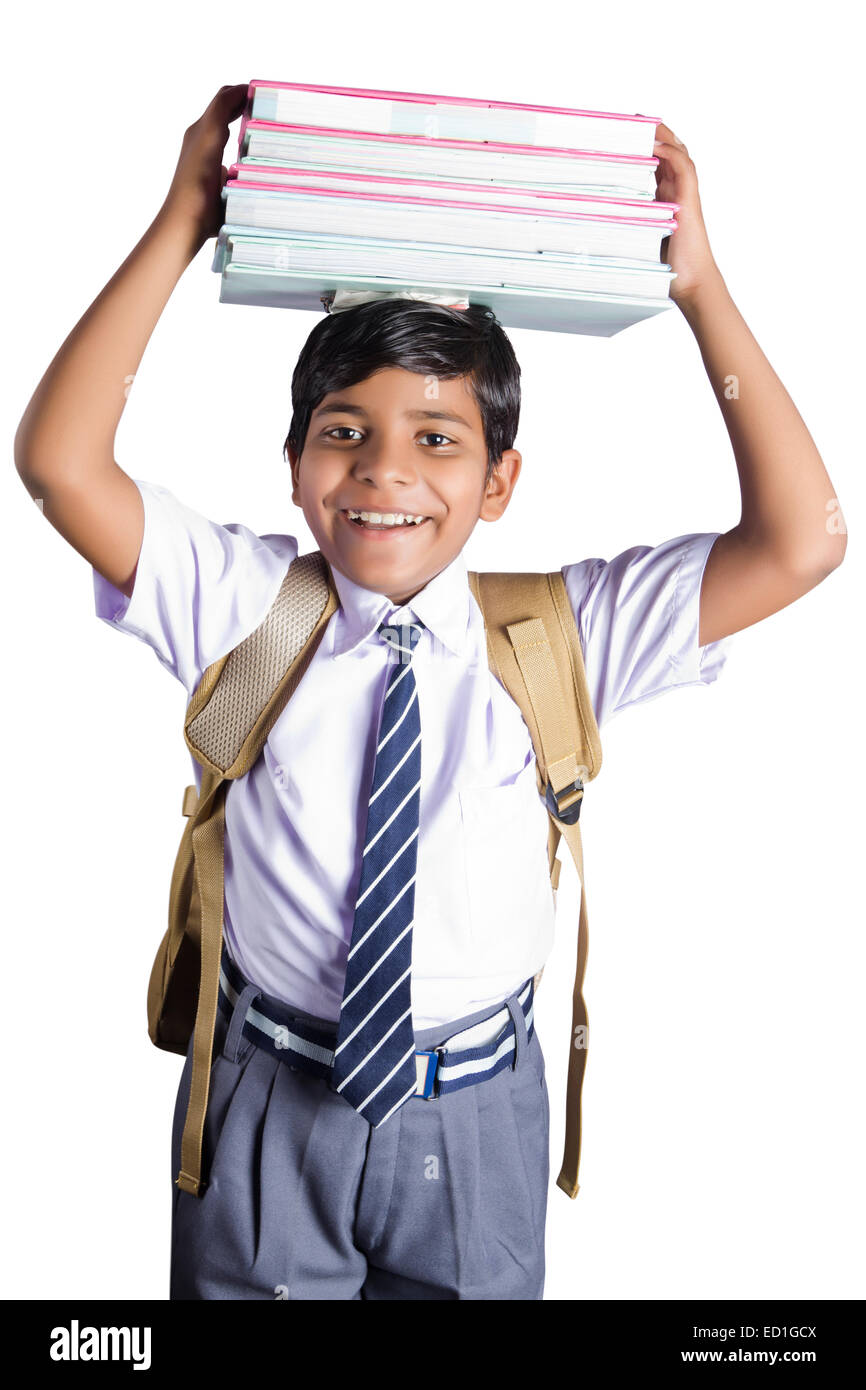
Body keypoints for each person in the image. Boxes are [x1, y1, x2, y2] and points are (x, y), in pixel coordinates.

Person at [13, 84, 847, 1300]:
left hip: (477, 1118)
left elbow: (802, 541)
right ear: (294, 467)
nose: (383, 472)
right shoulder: (245, 605)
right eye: (341, 433)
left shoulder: (560, 638)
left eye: (437, 439)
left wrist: (699, 291)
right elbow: (57, 459)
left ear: (500, 477)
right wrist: (186, 215)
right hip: (269, 1099)